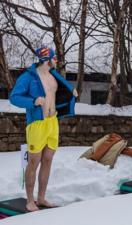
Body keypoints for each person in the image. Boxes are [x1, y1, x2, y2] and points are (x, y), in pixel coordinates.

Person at [10, 46, 77, 211]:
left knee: (48, 160)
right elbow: (14, 97)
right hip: (37, 124)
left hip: (52, 122)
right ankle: (30, 201)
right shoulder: (29, 77)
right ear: (47, 60)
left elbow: (58, 93)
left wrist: (71, 93)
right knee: (34, 162)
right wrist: (33, 101)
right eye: (54, 59)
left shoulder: (54, 76)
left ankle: (41, 198)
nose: (56, 61)